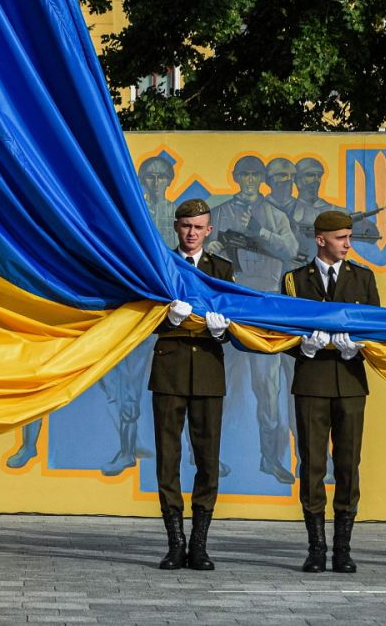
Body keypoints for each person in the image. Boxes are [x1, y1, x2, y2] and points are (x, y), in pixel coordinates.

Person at [282, 210, 379, 574]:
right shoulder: (294, 280)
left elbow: (375, 328)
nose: (347, 244)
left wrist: (358, 346)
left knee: (348, 465)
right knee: (312, 465)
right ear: (320, 239)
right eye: (340, 238)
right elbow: (283, 332)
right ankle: (315, 547)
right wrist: (303, 347)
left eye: (349, 237)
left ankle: (343, 547)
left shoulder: (363, 279)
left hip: (351, 383)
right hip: (310, 382)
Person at [153, 198, 234, 571]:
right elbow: (142, 319)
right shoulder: (161, 265)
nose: (191, 233)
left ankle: (199, 544)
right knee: (168, 460)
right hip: (169, 371)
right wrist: (168, 320)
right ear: (176, 227)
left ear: (209, 231)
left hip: (207, 371)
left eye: (198, 227)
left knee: (207, 460)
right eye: (186, 226)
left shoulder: (221, 269)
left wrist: (222, 331)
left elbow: (235, 323)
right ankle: (175, 543)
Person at [210, 155, 299, 485]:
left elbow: (290, 249)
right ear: (235, 176)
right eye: (244, 173)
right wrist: (215, 245)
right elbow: (207, 255)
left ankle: (270, 457)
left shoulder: (275, 215)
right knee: (218, 387)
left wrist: (259, 232)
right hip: (230, 308)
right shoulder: (220, 212)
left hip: (264, 309)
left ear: (262, 178)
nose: (249, 179)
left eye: (254, 174)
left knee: (269, 389)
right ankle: (207, 456)